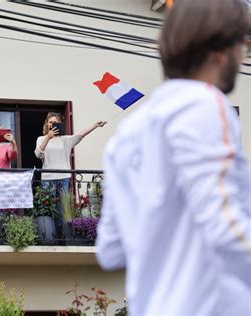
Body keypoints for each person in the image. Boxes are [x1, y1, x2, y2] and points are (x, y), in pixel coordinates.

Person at [96, 1, 250, 315]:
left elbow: (110, 250)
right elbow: (225, 225)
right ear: (219, 50)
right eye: (242, 43)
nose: (243, 54)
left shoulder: (129, 131)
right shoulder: (205, 104)